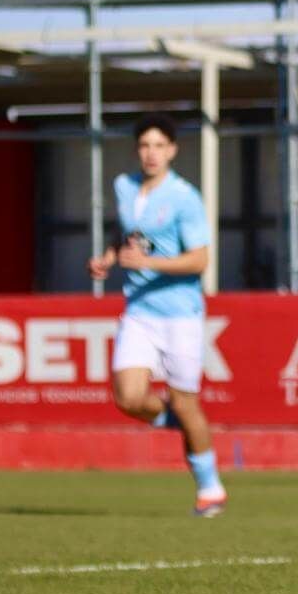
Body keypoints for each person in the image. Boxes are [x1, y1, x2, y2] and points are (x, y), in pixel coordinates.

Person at [87, 117, 223, 516]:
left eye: (159, 145)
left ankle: (210, 487)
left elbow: (200, 259)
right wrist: (109, 258)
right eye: (145, 145)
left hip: (180, 314)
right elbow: (128, 235)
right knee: (127, 397)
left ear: (173, 150)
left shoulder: (185, 197)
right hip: (139, 310)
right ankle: (171, 420)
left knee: (187, 403)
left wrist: (149, 262)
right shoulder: (124, 187)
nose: (151, 153)